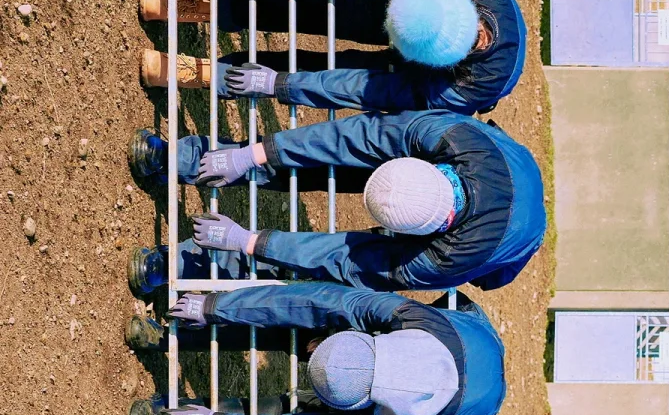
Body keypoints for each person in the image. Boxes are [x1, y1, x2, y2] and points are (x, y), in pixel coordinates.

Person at [128, 110, 547, 295]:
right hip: (503, 163)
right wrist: (254, 154)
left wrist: (250, 242)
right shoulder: (446, 135)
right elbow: (348, 138)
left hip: (497, 239)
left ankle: (192, 265)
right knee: (319, 161)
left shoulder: (448, 259)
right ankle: (187, 159)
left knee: (331, 263)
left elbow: (344, 259)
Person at [126, 283, 506, 415]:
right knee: (293, 325)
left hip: (457, 405)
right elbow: (313, 300)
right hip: (466, 335)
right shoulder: (410, 319)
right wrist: (216, 305)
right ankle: (171, 334)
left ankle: (177, 410)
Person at [138, 0, 527, 117]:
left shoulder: (460, 88)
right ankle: (199, 6)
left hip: (432, 78)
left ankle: (201, 72)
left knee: (324, 69)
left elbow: (355, 85)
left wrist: (279, 85)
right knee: (324, 6)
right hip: (421, 9)